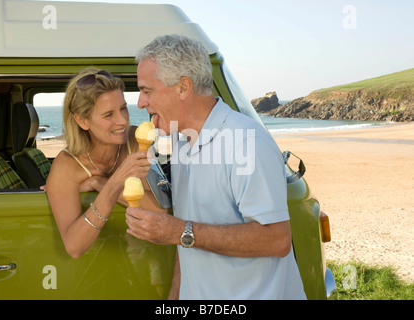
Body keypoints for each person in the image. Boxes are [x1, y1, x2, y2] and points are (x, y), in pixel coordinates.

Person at [125, 35, 306, 300]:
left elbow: (276, 239)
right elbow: (185, 239)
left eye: (147, 90)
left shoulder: (246, 143)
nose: (140, 102)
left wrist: (178, 230)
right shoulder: (183, 141)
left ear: (183, 87)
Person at [46, 67, 166, 259]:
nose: (123, 121)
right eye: (108, 115)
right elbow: (74, 246)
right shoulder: (66, 166)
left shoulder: (135, 142)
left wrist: (99, 183)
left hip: (139, 259)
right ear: (82, 121)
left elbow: (160, 210)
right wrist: (117, 181)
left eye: (123, 108)